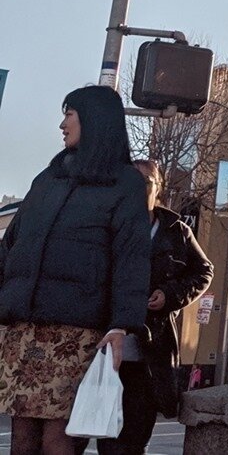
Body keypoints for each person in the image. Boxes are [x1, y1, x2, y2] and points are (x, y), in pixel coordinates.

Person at [0, 87, 150, 455]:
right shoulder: (47, 179)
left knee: (59, 439)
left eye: (70, 114)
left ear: (94, 119)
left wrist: (121, 325)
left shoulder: (126, 182)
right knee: (21, 438)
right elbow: (11, 246)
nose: (62, 124)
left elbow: (131, 257)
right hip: (26, 328)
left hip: (78, 333)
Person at [98, 161, 213, 455]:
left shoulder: (176, 230)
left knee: (134, 439)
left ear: (158, 188)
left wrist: (170, 294)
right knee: (105, 438)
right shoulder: (105, 225)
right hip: (104, 349)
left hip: (150, 351)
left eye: (148, 182)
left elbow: (203, 272)